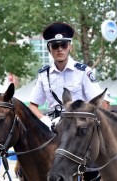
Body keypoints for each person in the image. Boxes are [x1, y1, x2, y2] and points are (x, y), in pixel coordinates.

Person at [28, 22, 102, 181]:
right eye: (55, 46)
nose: (59, 49)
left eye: (63, 45)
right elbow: (32, 105)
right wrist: (43, 119)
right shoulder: (44, 75)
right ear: (49, 49)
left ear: (70, 47)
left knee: (92, 164)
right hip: (53, 125)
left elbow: (97, 103)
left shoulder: (83, 71)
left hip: (77, 126)